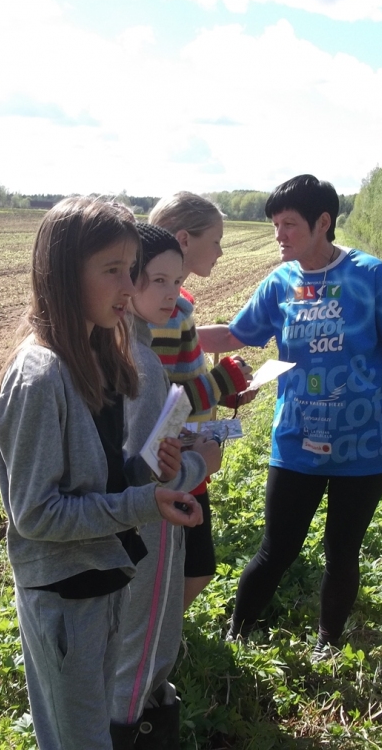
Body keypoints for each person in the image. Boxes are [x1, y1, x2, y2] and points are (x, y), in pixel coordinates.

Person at [197, 174, 382, 658]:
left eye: (289, 224)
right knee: (276, 550)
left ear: (323, 223)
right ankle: (236, 636)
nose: (279, 235)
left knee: (342, 554)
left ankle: (327, 646)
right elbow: (233, 336)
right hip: (295, 445)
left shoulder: (371, 276)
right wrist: (162, 326)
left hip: (366, 448)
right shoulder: (280, 283)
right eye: (275, 225)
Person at [0, 197, 203, 750]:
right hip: (66, 600)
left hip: (104, 582)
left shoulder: (97, 357)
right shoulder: (40, 378)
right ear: (63, 275)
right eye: (113, 271)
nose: (129, 288)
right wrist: (141, 504)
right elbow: (36, 513)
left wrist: (149, 472)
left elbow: (101, 480)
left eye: (131, 270)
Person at [110, 223, 223, 748]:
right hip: (148, 533)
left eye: (175, 283)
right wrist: (202, 464)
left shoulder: (117, 352)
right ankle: (135, 728)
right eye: (156, 280)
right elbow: (147, 469)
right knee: (146, 640)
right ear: (127, 282)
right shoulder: (143, 366)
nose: (169, 295)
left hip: (125, 527)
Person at [147, 192, 255, 609]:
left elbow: (182, 380)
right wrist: (221, 381)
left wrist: (223, 389)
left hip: (187, 447)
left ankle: (162, 637)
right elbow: (165, 401)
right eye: (216, 240)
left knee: (193, 565)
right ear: (183, 240)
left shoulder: (178, 303)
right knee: (195, 566)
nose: (222, 251)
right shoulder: (168, 311)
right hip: (174, 456)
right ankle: (160, 639)